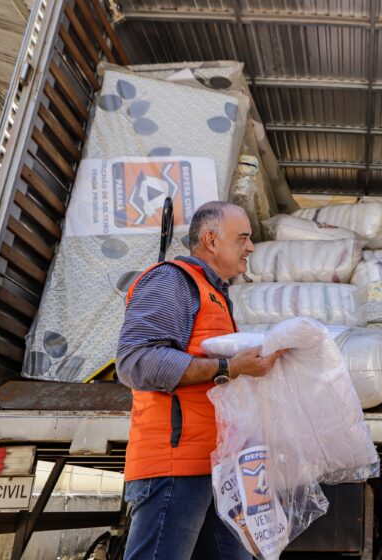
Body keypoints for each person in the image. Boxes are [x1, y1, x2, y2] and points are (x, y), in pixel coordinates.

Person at [116, 201, 285, 560]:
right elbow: (135, 362)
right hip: (174, 468)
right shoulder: (171, 281)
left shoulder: (216, 294)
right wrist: (228, 367)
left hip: (216, 467)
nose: (250, 247)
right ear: (210, 240)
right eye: (243, 238)